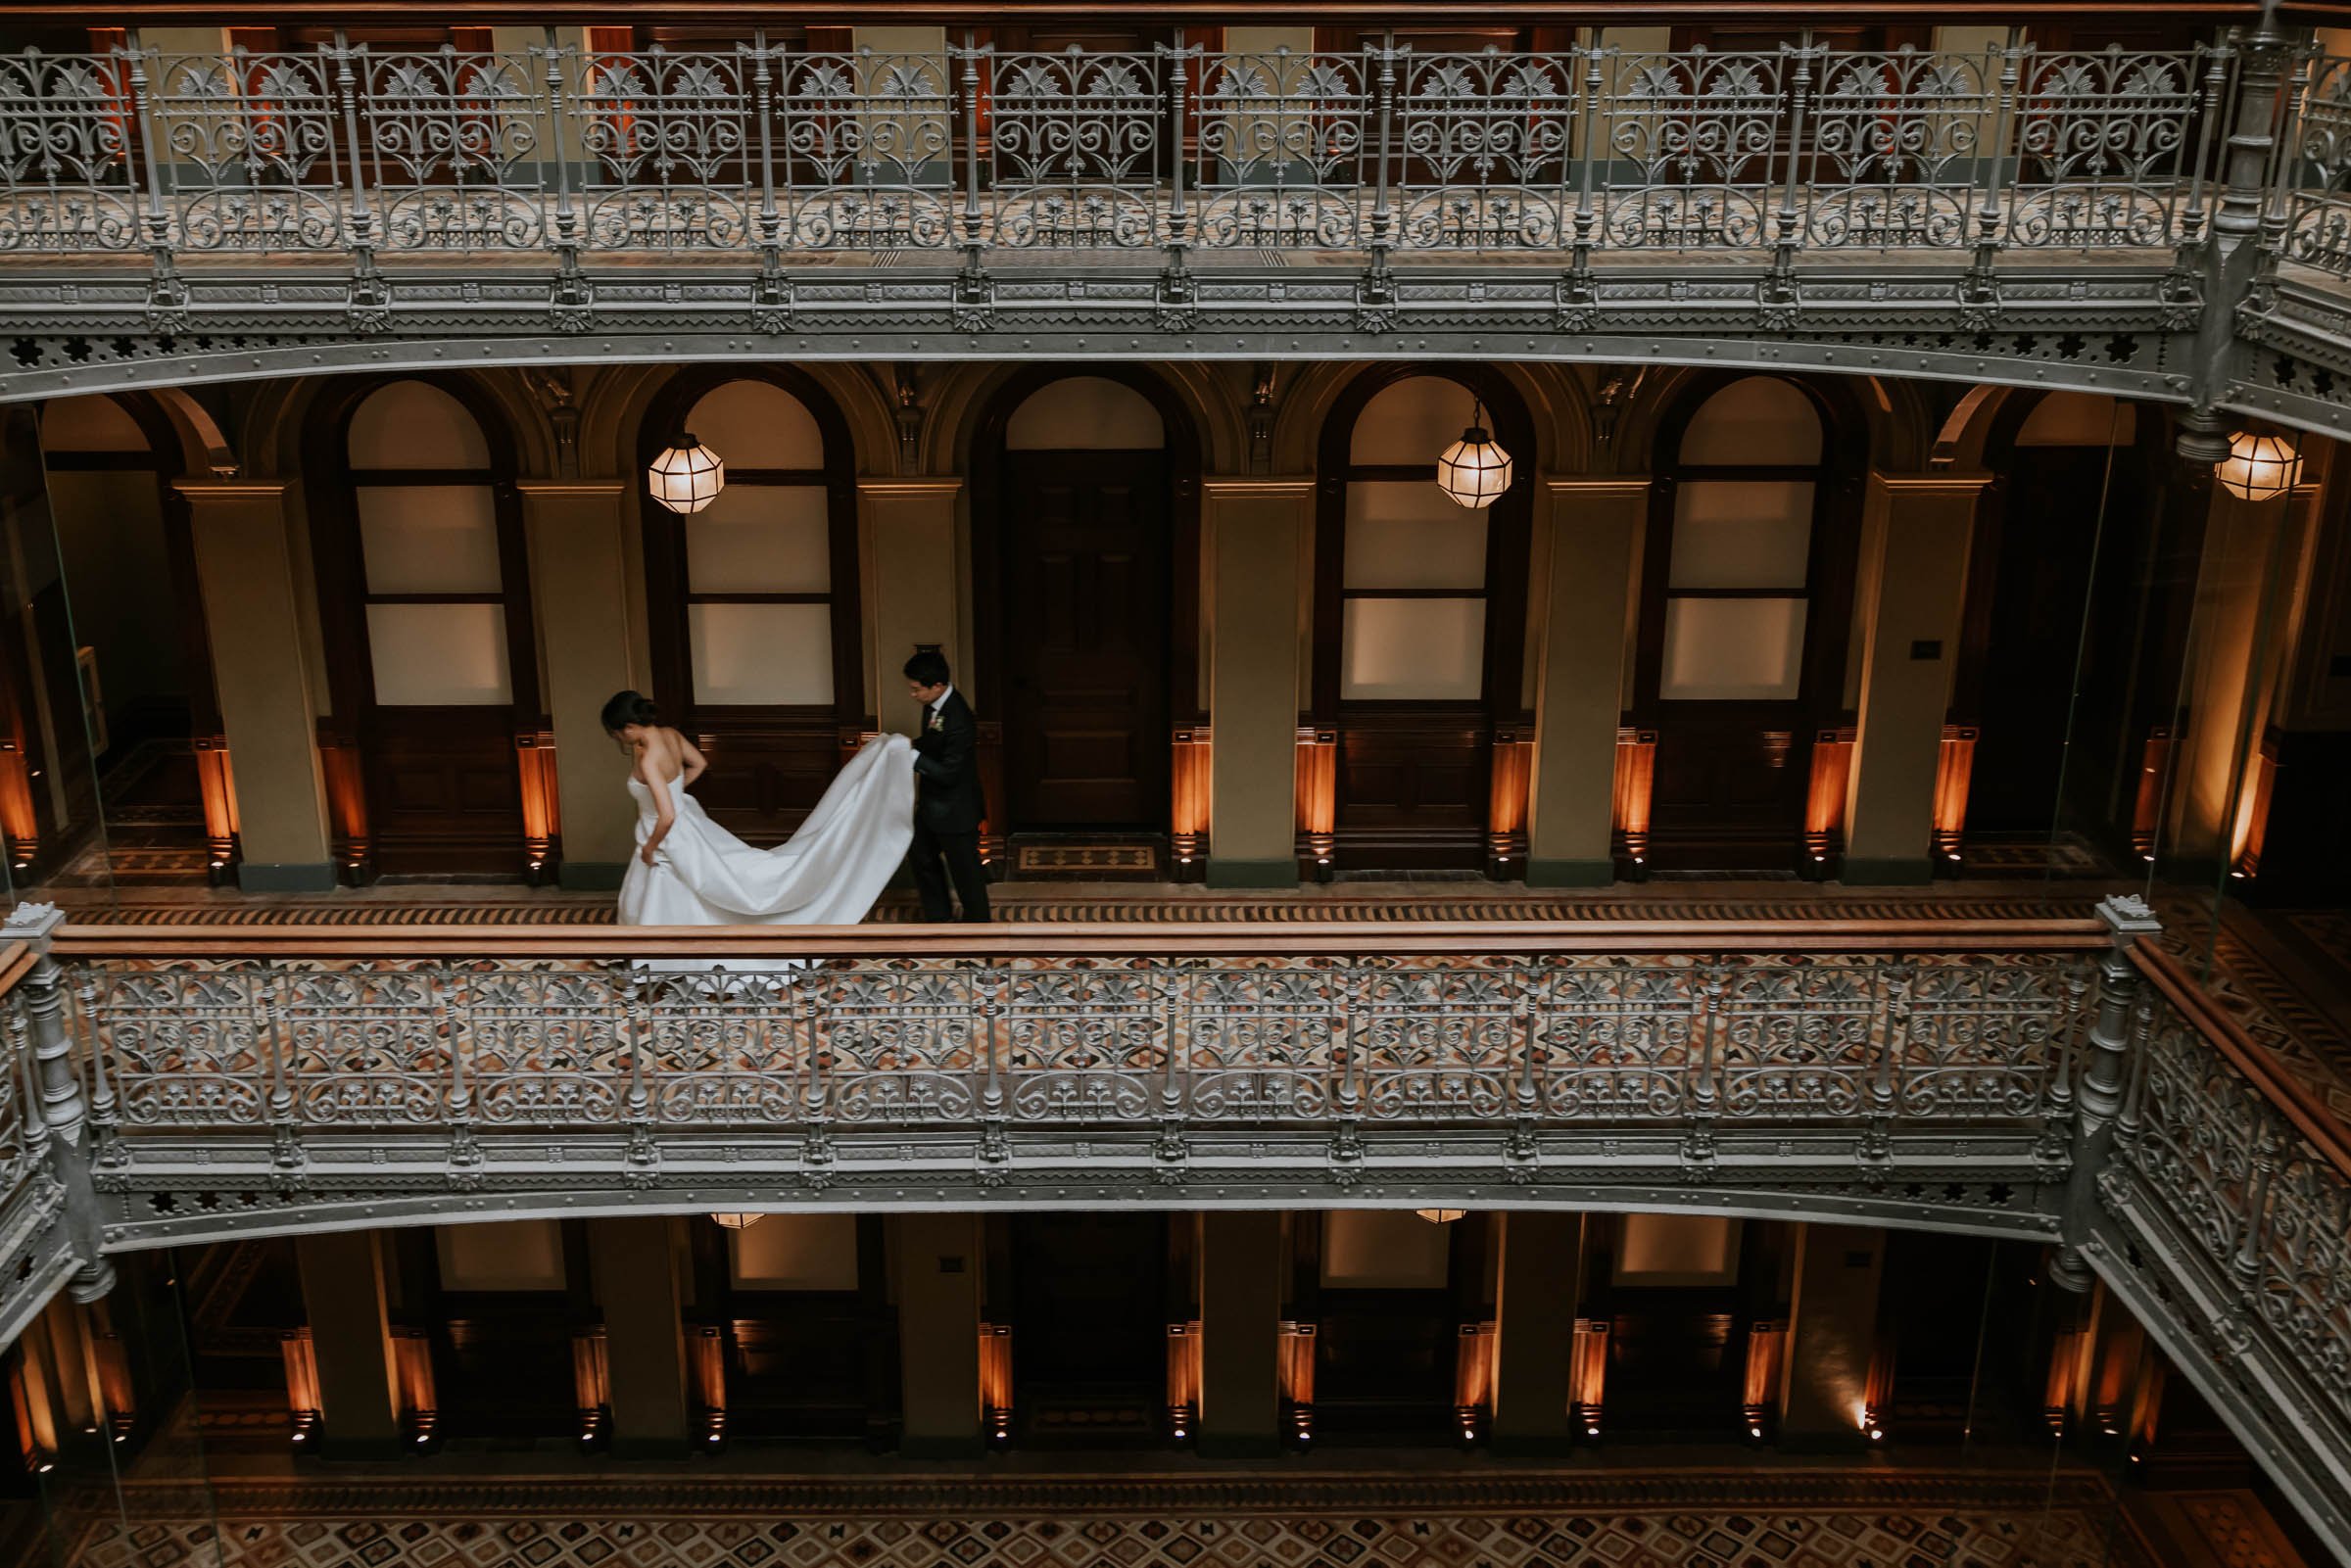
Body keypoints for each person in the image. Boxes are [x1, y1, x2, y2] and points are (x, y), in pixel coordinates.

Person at [605, 690, 914, 927]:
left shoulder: (647, 759)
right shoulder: (670, 735)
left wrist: (650, 847)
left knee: (669, 893)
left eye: (618, 733)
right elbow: (699, 763)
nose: (618, 739)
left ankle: (660, 958)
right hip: (689, 824)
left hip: (667, 831)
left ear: (630, 727)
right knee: (692, 890)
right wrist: (675, 791)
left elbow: (667, 815)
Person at [903, 650, 991, 923]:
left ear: (937, 686)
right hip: (931, 806)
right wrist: (906, 745)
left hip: (956, 810)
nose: (913, 695)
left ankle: (978, 925)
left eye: (917, 689)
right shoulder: (933, 705)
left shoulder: (959, 718)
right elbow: (932, 743)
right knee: (922, 857)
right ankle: (938, 917)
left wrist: (914, 758)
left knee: (965, 872)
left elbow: (950, 773)